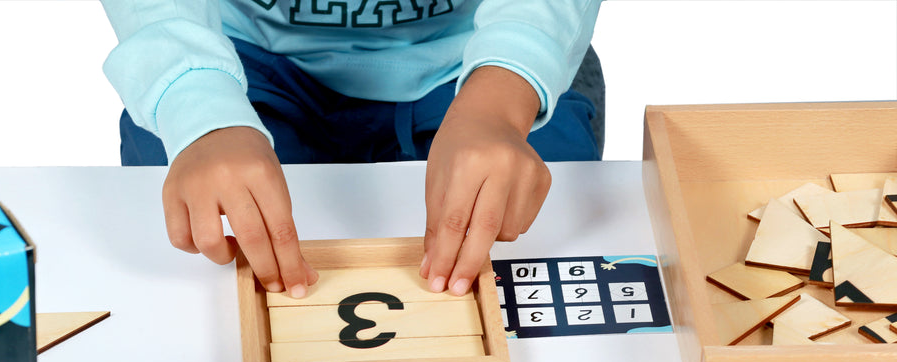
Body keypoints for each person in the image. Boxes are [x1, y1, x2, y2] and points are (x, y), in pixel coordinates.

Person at [101, 1, 604, 298]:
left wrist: (500, 99)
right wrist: (200, 106)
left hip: (479, 52)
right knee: (195, 264)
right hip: (235, 53)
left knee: (544, 240)